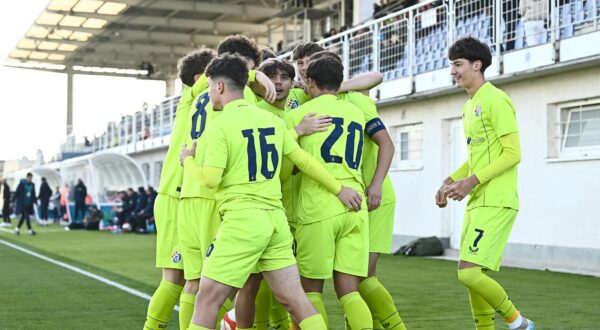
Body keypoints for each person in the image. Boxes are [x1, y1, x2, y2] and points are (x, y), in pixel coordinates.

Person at [181, 53, 362, 330]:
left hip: (243, 220)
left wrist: (188, 161)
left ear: (218, 87)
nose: (210, 95)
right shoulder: (273, 122)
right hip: (276, 221)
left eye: (209, 88)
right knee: (296, 301)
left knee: (207, 300)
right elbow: (303, 160)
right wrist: (339, 189)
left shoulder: (220, 126)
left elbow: (210, 179)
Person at [436, 37, 533, 330]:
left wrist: (472, 181)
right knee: (470, 274)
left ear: (477, 65)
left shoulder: (495, 99)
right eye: (451, 64)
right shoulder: (470, 106)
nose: (452, 71)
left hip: (497, 199)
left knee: (469, 274)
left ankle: (519, 323)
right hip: (479, 200)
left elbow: (513, 153)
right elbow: (477, 157)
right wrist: (450, 180)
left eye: (458, 64)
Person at [308, 51, 406, 329]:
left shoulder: (355, 100)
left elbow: (377, 76)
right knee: (351, 281)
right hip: (347, 198)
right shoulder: (309, 101)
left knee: (361, 278)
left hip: (371, 195)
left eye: (307, 64)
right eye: (299, 62)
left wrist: (375, 185)